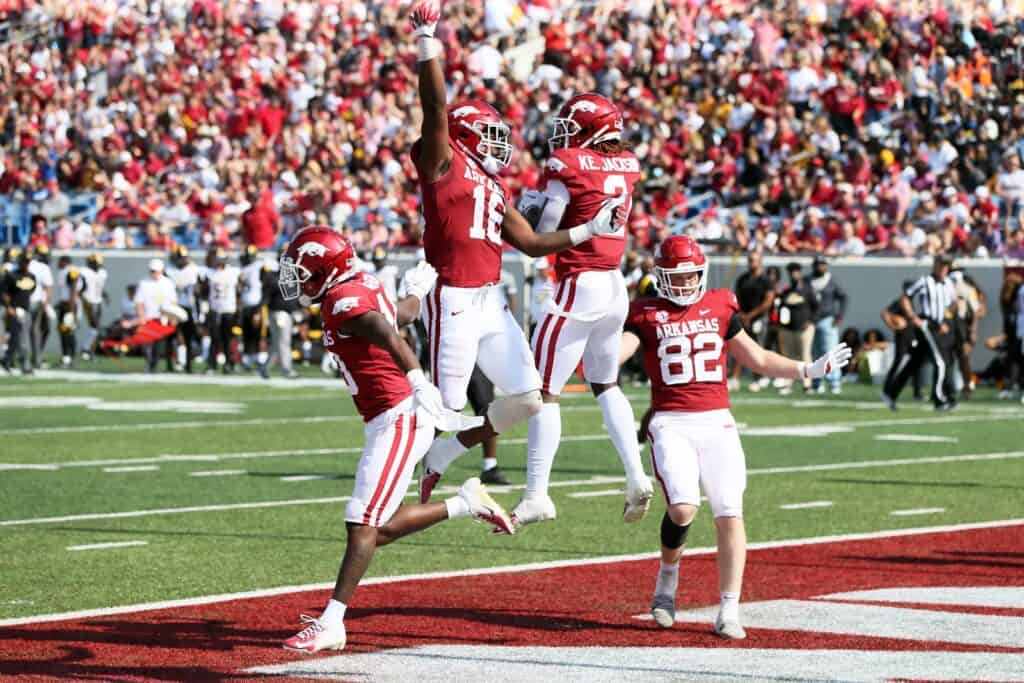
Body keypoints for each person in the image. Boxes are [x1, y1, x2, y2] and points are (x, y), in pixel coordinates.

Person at [409, 0, 623, 522]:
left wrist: (588, 229)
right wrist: (427, 40)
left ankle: (440, 458)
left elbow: (529, 243)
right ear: (462, 136)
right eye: (490, 133)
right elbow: (436, 107)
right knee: (442, 409)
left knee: (528, 400)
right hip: (454, 296)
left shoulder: (491, 183)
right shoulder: (442, 160)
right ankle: (396, 475)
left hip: (490, 300)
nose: (499, 143)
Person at [277, 226, 512, 654]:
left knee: (361, 524)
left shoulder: (341, 298)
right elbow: (398, 316)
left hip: (399, 416)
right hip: (387, 418)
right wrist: (415, 294)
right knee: (374, 527)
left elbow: (390, 334)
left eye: (307, 273)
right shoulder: (359, 285)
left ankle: (332, 622)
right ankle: (466, 503)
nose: (302, 282)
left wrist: (419, 380)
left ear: (328, 271)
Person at [618, 235, 850, 639]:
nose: (687, 283)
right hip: (671, 422)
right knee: (684, 510)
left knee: (729, 510)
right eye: (678, 276)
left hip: (718, 421)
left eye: (691, 275)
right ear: (661, 277)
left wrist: (809, 370)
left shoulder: (721, 304)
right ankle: (667, 579)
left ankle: (729, 608)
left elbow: (757, 358)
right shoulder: (644, 313)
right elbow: (610, 357)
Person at [882, 255, 958, 411]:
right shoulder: (924, 281)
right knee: (940, 362)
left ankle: (890, 393)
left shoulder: (949, 284)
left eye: (946, 266)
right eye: (942, 265)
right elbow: (905, 298)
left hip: (938, 326)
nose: (944, 269)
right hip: (926, 325)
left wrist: (946, 319)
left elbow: (953, 304)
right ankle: (939, 400)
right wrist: (912, 317)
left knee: (914, 363)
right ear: (935, 265)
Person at [125, 259, 179, 372]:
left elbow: (173, 302)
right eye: (152, 271)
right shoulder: (144, 283)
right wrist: (141, 316)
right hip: (149, 318)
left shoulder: (168, 283)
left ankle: (161, 364)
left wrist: (172, 317)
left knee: (161, 344)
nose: (154, 274)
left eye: (156, 271)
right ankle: (150, 363)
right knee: (148, 344)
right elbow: (139, 302)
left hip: (163, 318)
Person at [732, 251, 775, 391]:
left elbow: (768, 302)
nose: (752, 262)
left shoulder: (766, 280)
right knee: (739, 347)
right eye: (750, 260)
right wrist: (742, 315)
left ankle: (758, 378)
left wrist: (750, 316)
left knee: (756, 348)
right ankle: (735, 378)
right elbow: (736, 298)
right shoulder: (742, 279)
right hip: (743, 318)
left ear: (760, 261)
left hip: (759, 319)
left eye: (754, 260)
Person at [777, 262, 817, 394]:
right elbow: (781, 308)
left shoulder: (807, 289)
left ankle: (807, 384)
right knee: (789, 357)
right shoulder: (786, 291)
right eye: (791, 272)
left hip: (804, 328)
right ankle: (788, 383)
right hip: (788, 328)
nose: (794, 274)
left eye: (796, 271)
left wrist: (810, 321)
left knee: (805, 355)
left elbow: (816, 307)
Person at [809, 256, 847, 394]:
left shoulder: (831, 281)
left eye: (823, 264)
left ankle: (834, 382)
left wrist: (839, 316)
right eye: (818, 264)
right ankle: (817, 382)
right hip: (811, 322)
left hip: (827, 320)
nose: (821, 267)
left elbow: (843, 297)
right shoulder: (808, 281)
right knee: (815, 352)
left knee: (830, 351)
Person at [263, 243, 300, 379]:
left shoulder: (290, 277)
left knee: (277, 342)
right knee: (284, 341)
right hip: (279, 313)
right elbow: (267, 297)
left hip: (285, 313)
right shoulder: (275, 277)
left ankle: (265, 367)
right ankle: (286, 369)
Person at [166, 246, 201, 373]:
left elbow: (198, 290)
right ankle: (171, 363)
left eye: (184, 257)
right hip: (173, 306)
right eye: (181, 258)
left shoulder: (193, 270)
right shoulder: (169, 270)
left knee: (188, 335)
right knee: (171, 336)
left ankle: (187, 365)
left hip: (187, 306)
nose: (183, 260)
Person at [205, 249, 240, 374]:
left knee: (227, 339)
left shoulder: (233, 272)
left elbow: (239, 288)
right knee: (214, 338)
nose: (219, 263)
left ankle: (229, 363)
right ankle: (211, 365)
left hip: (228, 309)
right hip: (214, 309)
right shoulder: (210, 273)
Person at [2, 250, 37, 374]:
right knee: (17, 338)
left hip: (25, 310)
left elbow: (31, 290)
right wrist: (9, 307)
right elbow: (4, 293)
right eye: (24, 262)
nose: (26, 264)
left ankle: (10, 360)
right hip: (14, 310)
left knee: (21, 338)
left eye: (28, 262)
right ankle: (20, 363)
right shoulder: (12, 275)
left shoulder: (31, 276)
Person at [239, 245, 269, 377]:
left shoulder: (260, 267)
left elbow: (265, 286)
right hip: (246, 306)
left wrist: (260, 307)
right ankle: (247, 360)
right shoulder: (243, 269)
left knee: (259, 334)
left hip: (257, 305)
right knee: (247, 334)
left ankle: (261, 361)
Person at [27, 244, 54, 369]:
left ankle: (35, 356)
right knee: (37, 330)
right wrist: (46, 305)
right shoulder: (42, 267)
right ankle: (36, 358)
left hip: (26, 301)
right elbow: (48, 288)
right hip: (37, 302)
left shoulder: (31, 265)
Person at [78, 252, 108, 361]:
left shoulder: (102, 273)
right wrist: (84, 300)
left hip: (98, 301)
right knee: (94, 328)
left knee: (96, 329)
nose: (97, 266)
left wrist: (104, 295)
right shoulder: (84, 272)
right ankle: (86, 349)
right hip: (88, 301)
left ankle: (89, 350)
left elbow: (99, 286)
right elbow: (81, 289)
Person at [54, 255, 81, 368]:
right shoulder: (63, 271)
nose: (57, 264)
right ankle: (66, 357)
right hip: (64, 305)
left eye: (59, 261)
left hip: (70, 306)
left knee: (69, 332)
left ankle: (71, 357)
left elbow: (73, 289)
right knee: (63, 331)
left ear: (64, 262)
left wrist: (71, 309)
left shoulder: (71, 271)